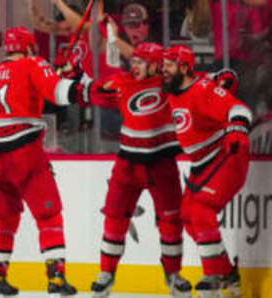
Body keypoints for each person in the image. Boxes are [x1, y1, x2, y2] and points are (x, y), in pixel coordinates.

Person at [0, 26, 110, 297]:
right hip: (24, 151)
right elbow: (59, 94)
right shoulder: (33, 64)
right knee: (48, 214)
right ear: (28, 48)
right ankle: (56, 278)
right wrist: (75, 81)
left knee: (4, 216)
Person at [84, 43, 191, 298]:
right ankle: (107, 272)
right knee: (115, 217)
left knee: (171, 221)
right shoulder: (122, 83)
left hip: (162, 164)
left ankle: (173, 274)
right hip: (127, 165)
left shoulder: (170, 85)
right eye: (134, 61)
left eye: (141, 62)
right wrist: (73, 75)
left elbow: (196, 84)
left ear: (155, 65)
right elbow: (92, 92)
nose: (135, 66)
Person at [162, 44, 252, 297]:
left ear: (183, 67)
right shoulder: (177, 87)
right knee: (188, 217)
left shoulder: (202, 90)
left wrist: (237, 127)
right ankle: (227, 273)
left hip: (228, 154)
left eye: (168, 65)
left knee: (201, 210)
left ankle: (212, 275)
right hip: (202, 162)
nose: (163, 70)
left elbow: (239, 109)